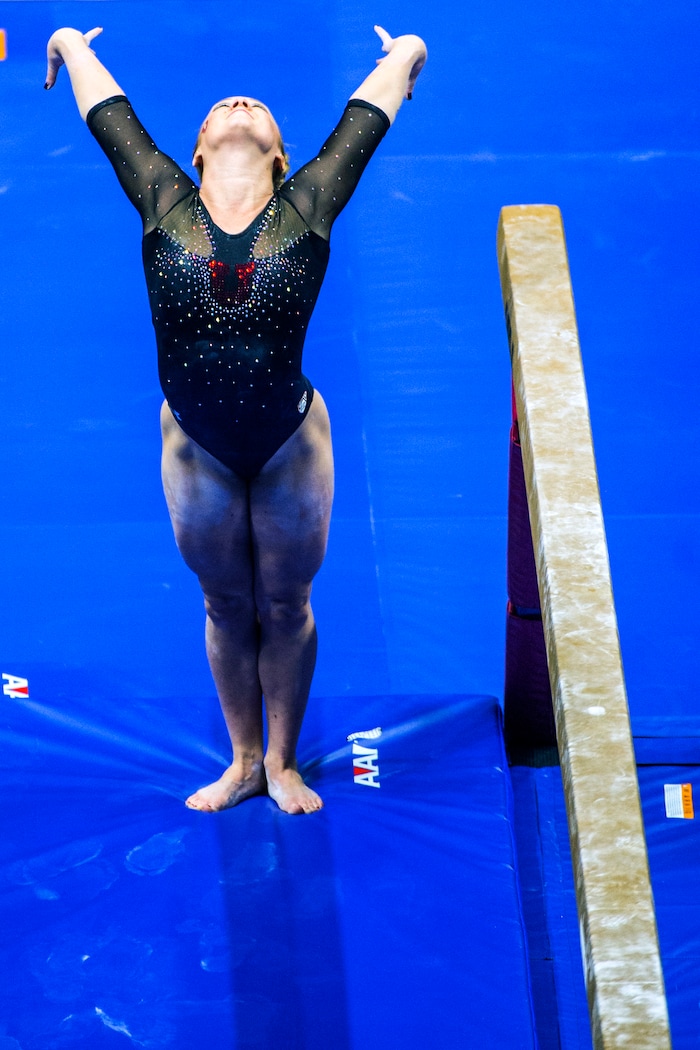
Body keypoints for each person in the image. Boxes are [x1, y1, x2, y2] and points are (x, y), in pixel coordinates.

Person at [45, 24, 427, 814]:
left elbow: (368, 117)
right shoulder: (163, 202)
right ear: (197, 150)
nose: (240, 103)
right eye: (222, 107)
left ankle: (283, 760)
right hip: (197, 448)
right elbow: (109, 116)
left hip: (290, 444)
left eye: (255, 108)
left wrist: (408, 53)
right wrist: (66, 44)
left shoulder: (308, 205)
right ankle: (244, 758)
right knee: (224, 602)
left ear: (283, 154)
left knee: (286, 601)